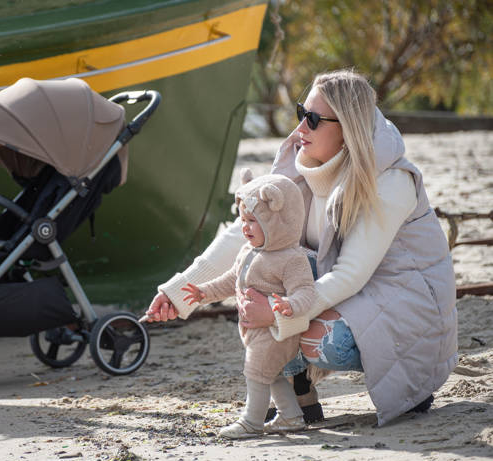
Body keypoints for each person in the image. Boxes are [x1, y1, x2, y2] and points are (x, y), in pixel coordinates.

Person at [145, 69, 457, 427]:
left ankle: (412, 383)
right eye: (300, 113)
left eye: (313, 120)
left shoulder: (391, 180)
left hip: (407, 308)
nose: (299, 129)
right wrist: (180, 292)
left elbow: (350, 274)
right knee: (259, 273)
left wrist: (279, 314)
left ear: (348, 127)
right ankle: (299, 393)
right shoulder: (299, 166)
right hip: (354, 298)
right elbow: (245, 233)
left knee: (315, 338)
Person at [182, 171, 317, 438]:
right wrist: (203, 293)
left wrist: (289, 305)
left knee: (255, 372)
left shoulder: (291, 258)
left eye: (253, 221)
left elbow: (305, 291)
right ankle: (291, 416)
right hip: (255, 330)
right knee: (272, 374)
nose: (245, 227)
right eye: (243, 220)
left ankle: (251, 422)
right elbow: (231, 280)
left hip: (276, 331)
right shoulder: (249, 251)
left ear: (279, 220)